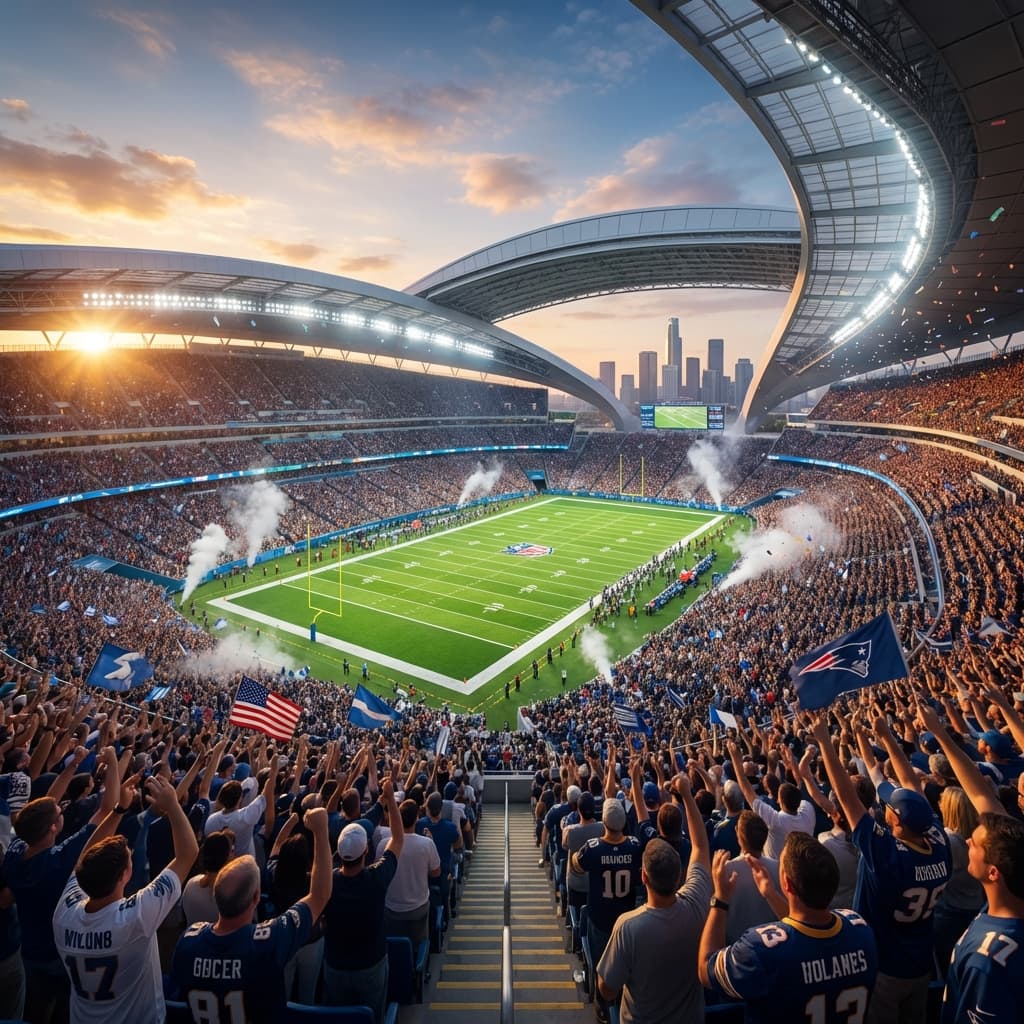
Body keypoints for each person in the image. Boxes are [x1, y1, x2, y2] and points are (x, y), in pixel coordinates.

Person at [812, 715, 950, 1024]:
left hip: (884, 966)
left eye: (888, 807)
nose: (880, 806)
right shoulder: (939, 843)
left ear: (897, 822)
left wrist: (824, 742)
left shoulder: (886, 854)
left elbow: (846, 797)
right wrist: (886, 738)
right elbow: (913, 789)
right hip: (920, 960)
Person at [54, 775, 199, 1024]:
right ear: (125, 875)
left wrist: (119, 810)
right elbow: (189, 853)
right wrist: (173, 805)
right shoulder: (137, 917)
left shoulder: (64, 913)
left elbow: (84, 858)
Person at [171, 806, 332, 1024]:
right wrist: (321, 831)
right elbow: (320, 895)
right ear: (255, 898)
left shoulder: (188, 942)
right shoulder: (268, 942)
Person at [699, 832, 878, 1024]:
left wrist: (720, 900)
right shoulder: (860, 929)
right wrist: (770, 893)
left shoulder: (759, 950)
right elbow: (806, 929)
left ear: (786, 883)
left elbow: (705, 968)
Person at [3, 745, 121, 1024]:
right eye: (59, 812)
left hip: (27, 951)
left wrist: (72, 766)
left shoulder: (14, 853)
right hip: (61, 953)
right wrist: (114, 764)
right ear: (54, 827)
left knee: (32, 1008)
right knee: (63, 1009)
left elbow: (42, 806)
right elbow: (107, 808)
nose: (60, 807)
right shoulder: (59, 860)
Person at [596, 776, 711, 1024]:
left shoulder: (628, 927)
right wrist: (687, 796)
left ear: (643, 877)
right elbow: (701, 847)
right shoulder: (697, 906)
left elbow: (607, 989)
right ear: (680, 874)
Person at [322, 779, 403, 1024]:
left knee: (337, 1017)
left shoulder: (326, 884)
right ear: (366, 850)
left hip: (334, 966)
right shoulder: (376, 878)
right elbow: (398, 840)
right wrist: (390, 800)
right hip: (370, 965)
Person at [942, 812, 1024, 1023]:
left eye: (976, 844)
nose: (967, 841)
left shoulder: (988, 961)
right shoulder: (1001, 907)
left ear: (993, 873)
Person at [571, 797, 642, 1024]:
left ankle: (602, 1005)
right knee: (626, 961)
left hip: (600, 919)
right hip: (626, 918)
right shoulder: (634, 846)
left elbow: (576, 866)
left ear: (604, 822)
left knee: (602, 963)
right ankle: (622, 999)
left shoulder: (593, 848)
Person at [380, 798, 439, 946]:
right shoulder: (427, 844)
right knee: (419, 944)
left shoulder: (383, 844)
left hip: (390, 909)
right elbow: (436, 872)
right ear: (416, 819)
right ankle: (422, 959)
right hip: (418, 908)